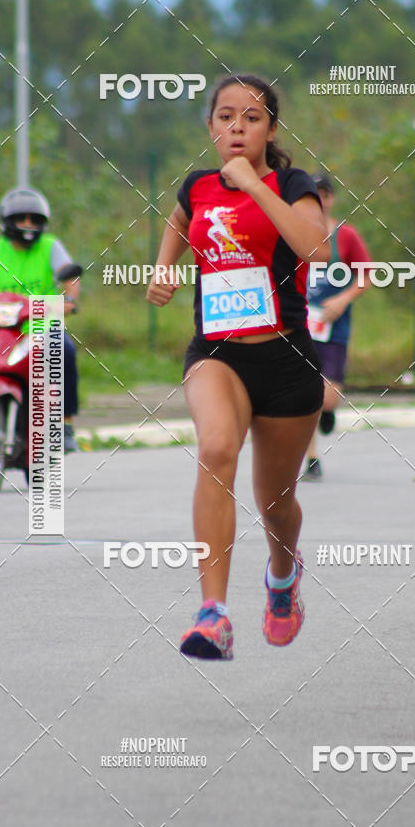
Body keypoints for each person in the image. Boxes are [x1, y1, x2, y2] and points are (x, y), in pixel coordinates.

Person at [146, 74, 330, 660]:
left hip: (285, 357)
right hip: (217, 353)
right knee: (217, 449)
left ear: (270, 129)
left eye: (251, 118)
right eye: (226, 117)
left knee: (275, 501)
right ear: (211, 126)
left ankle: (282, 575)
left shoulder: (291, 184)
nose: (237, 128)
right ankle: (213, 614)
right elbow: (180, 219)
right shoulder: (197, 187)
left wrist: (254, 185)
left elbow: (316, 247)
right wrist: (164, 266)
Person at [0, 188, 81, 452]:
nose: (27, 224)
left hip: (41, 326)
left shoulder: (50, 246)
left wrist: (69, 300)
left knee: (65, 350)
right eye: (20, 218)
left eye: (33, 219)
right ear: (6, 221)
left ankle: (65, 424)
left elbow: (70, 278)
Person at [303, 173, 371, 480]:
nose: (320, 201)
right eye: (314, 195)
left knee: (327, 396)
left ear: (331, 199)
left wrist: (342, 301)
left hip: (333, 327)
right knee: (304, 393)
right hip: (300, 325)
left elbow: (366, 275)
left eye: (325, 195)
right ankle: (312, 458)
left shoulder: (346, 236)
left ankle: (328, 411)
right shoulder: (294, 233)